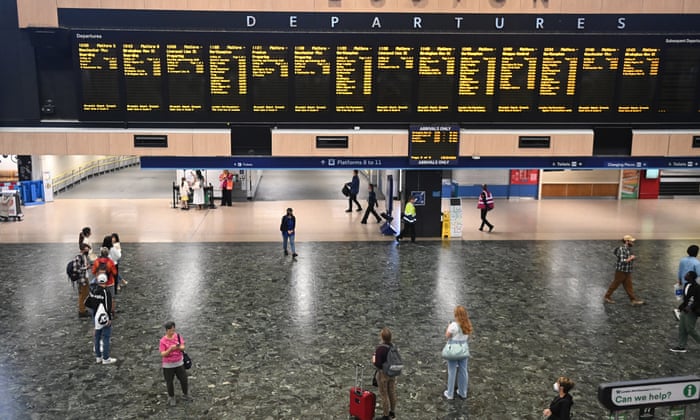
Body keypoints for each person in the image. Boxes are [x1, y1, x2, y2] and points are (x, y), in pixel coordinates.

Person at [604, 235, 644, 306]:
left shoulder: (628, 249)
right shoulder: (622, 249)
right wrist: (631, 258)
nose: (633, 243)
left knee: (629, 286)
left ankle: (633, 300)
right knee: (615, 284)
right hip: (621, 271)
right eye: (631, 241)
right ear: (627, 241)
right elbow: (623, 261)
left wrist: (631, 257)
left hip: (627, 270)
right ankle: (607, 296)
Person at [443, 305, 473, 400]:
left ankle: (450, 393)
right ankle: (463, 392)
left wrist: (448, 326)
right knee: (463, 370)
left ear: (456, 315)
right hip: (463, 349)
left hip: (453, 350)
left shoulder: (454, 325)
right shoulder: (468, 325)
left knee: (452, 371)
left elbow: (447, 336)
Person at [159, 321, 190, 406]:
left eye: (173, 330)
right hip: (168, 365)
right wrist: (170, 349)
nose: (173, 332)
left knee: (184, 379)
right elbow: (162, 354)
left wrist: (178, 347)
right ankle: (171, 397)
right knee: (169, 382)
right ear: (167, 330)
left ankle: (185, 394)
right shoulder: (162, 341)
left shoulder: (178, 336)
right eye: (171, 330)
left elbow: (183, 346)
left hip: (179, 363)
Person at [670, 271, 700, 353]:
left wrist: (690, 307)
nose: (685, 275)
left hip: (692, 311)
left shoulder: (697, 287)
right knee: (682, 328)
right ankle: (681, 346)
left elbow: (697, 300)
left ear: (691, 277)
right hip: (685, 310)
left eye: (687, 275)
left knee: (690, 329)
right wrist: (681, 306)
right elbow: (686, 298)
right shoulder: (686, 285)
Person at [372, 327, 397, 420]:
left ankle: (385, 415)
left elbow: (377, 364)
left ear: (382, 337)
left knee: (384, 394)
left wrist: (374, 358)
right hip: (392, 373)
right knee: (392, 392)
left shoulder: (380, 348)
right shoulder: (393, 347)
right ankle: (392, 412)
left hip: (383, 375)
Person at [93, 273, 116, 365]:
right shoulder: (106, 292)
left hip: (96, 317)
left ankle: (98, 357)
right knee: (106, 337)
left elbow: (91, 304)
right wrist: (109, 318)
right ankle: (106, 358)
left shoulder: (94, 290)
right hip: (104, 317)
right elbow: (108, 305)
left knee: (97, 337)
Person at [675, 245, 700, 320]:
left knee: (685, 298)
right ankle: (685, 313)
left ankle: (682, 312)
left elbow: (680, 270)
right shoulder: (696, 262)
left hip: (684, 282)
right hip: (692, 285)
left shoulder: (683, 260)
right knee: (692, 299)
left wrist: (679, 280)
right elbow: (698, 274)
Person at [74, 243, 91, 318]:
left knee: (85, 294)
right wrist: (86, 268)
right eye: (86, 249)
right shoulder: (78, 257)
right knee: (82, 295)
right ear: (82, 250)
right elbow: (76, 269)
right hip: (81, 279)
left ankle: (83, 309)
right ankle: (82, 311)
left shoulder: (84, 256)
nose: (88, 251)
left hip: (85, 278)